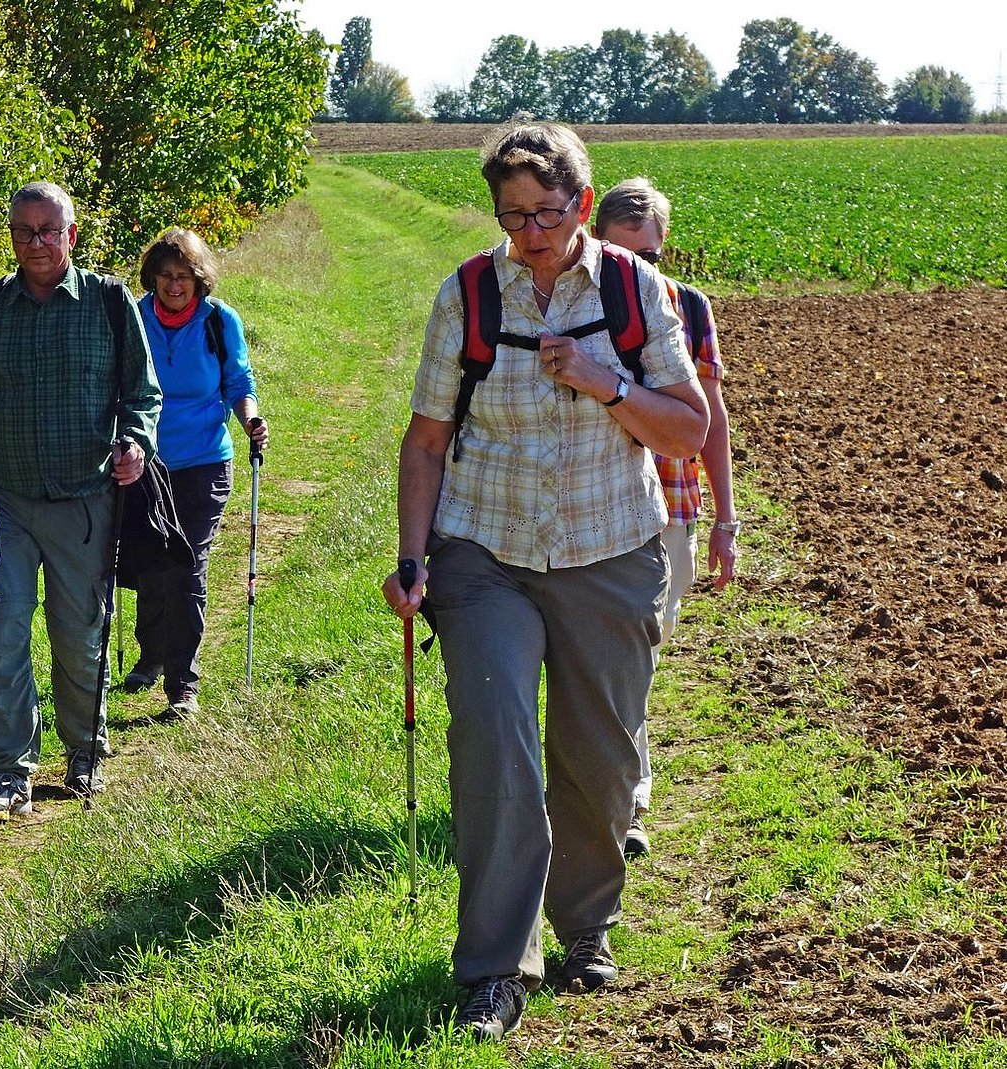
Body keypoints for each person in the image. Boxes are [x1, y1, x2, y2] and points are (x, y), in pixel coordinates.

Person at [379, 122, 709, 1042]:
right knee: (496, 743)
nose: (530, 233)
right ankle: (494, 967)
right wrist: (413, 558)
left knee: (599, 757)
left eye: (548, 213)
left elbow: (687, 428)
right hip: (485, 551)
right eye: (512, 215)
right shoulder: (469, 294)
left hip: (611, 548)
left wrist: (608, 383)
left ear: (583, 202)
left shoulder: (636, 290)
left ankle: (586, 926)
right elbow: (427, 440)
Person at [0, 181, 161, 820]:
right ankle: (7, 771)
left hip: (86, 501)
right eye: (24, 231)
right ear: (12, 238)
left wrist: (135, 443)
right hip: (4, 504)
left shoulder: (108, 303)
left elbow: (143, 394)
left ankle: (85, 753)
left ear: (71, 235)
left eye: (48, 230)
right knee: (2, 637)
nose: (36, 242)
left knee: (79, 634)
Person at [593, 177, 739, 859]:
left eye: (649, 255)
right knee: (609, 654)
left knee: (641, 652)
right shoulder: (574, 304)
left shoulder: (689, 306)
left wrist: (726, 520)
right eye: (624, 253)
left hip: (672, 504)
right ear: (597, 242)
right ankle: (625, 800)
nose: (638, 268)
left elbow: (711, 417)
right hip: (594, 499)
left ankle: (612, 788)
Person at [121, 227, 268, 718]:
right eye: (165, 275)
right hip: (146, 462)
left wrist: (250, 420)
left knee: (186, 565)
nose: (174, 285)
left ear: (199, 277)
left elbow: (239, 382)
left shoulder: (218, 321)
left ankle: (183, 685)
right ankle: (151, 655)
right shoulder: (134, 317)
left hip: (205, 461)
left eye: (183, 276)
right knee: (148, 564)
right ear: (152, 278)